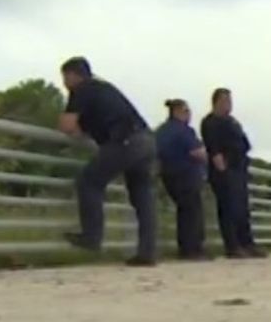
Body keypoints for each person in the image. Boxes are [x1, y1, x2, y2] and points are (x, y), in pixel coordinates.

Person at [57, 56, 158, 267]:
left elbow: (67, 126)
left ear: (73, 75)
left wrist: (73, 129)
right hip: (146, 140)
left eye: (65, 78)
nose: (64, 84)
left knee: (89, 181)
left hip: (125, 140)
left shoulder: (82, 90)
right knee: (142, 196)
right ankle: (147, 252)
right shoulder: (104, 89)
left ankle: (91, 236)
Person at [200, 88, 267, 259]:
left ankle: (247, 243)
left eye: (230, 101)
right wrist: (221, 167)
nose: (229, 105)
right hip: (225, 170)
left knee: (242, 209)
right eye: (225, 101)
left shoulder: (232, 122)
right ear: (216, 102)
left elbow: (245, 143)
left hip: (239, 167)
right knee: (228, 208)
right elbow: (213, 148)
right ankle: (233, 245)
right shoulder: (210, 122)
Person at [155, 99, 209, 260]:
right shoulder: (184, 131)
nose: (189, 115)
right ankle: (193, 249)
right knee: (192, 212)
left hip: (168, 175)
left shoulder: (161, 131)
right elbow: (198, 152)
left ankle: (185, 248)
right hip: (186, 174)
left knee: (183, 211)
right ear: (179, 112)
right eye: (187, 112)